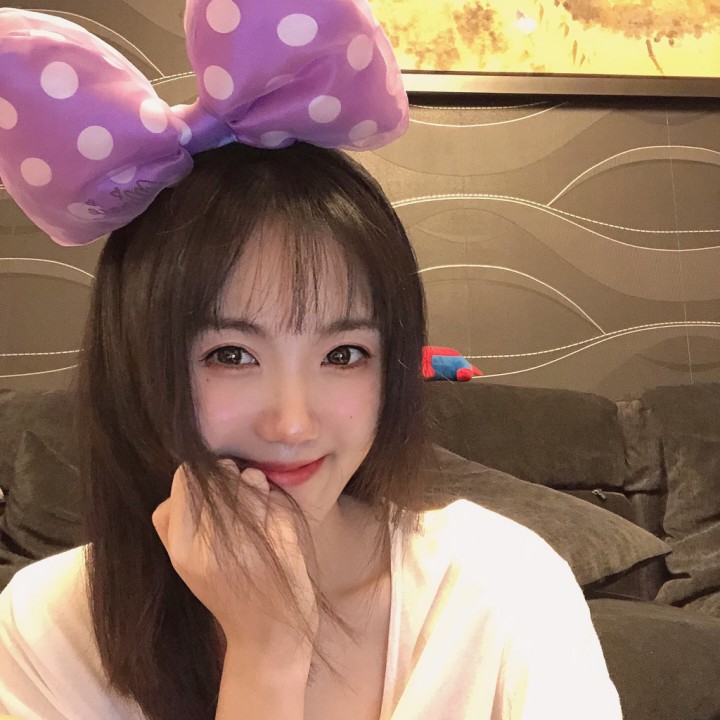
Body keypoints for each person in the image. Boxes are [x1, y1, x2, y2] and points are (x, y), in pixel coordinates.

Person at [0, 2, 623, 719]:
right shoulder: (46, 628)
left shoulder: (500, 589)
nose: (294, 424)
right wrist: (266, 653)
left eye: (344, 353)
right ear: (138, 362)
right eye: (231, 354)